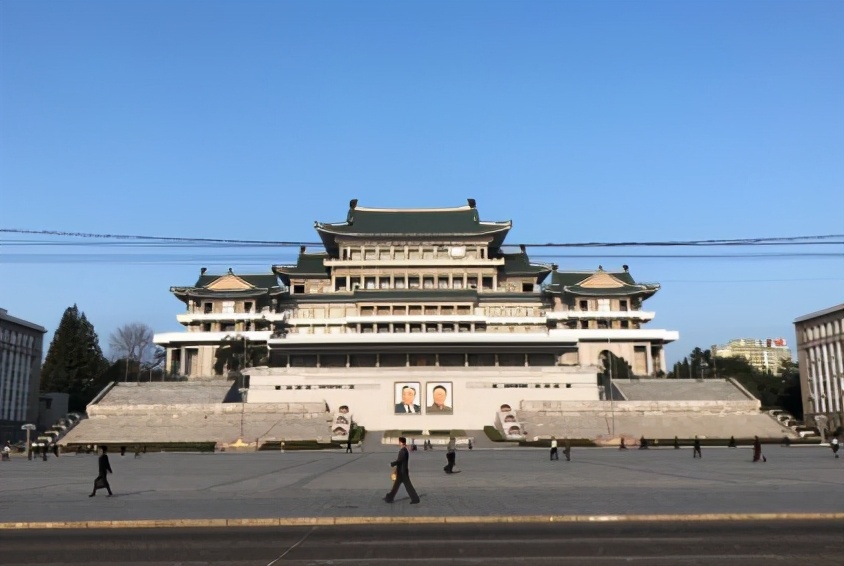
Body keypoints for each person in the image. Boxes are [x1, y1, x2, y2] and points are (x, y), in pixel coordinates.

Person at [384, 437, 420, 504]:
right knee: (396, 486)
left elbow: (399, 461)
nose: (399, 443)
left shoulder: (403, 451)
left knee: (408, 487)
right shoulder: (404, 450)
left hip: (403, 472)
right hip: (401, 472)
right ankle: (389, 497)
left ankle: (415, 499)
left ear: (401, 442)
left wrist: (392, 464)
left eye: (399, 442)